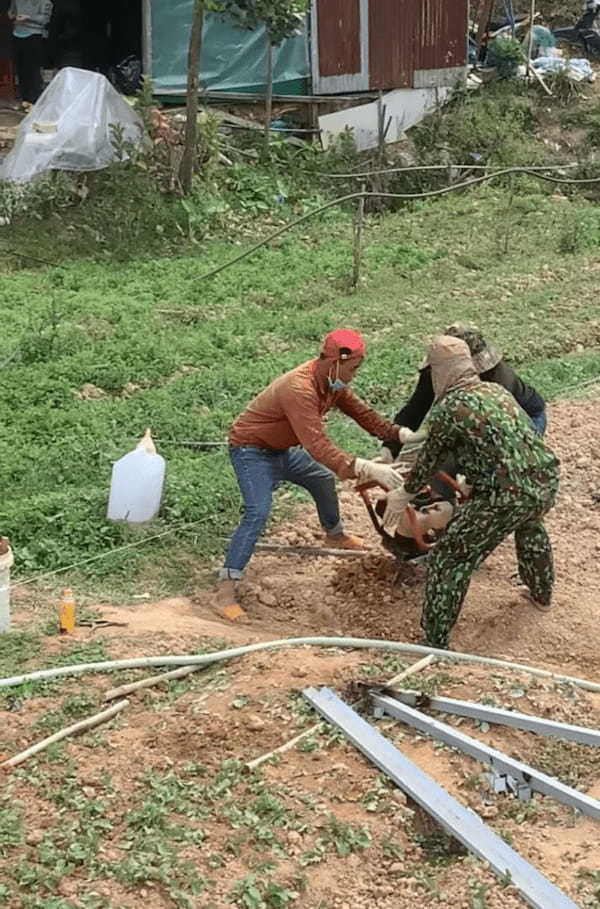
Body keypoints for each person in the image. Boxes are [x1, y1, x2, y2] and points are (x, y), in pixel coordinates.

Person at [215, 329, 404, 621]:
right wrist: (363, 466)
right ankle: (225, 589)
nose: (353, 376)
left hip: (281, 450)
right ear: (335, 362)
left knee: (321, 478)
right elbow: (317, 445)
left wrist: (399, 434)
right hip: (251, 451)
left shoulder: (330, 381)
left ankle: (335, 535)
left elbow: (361, 413)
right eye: (352, 369)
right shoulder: (300, 389)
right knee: (258, 511)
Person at [386, 335, 559, 650]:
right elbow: (510, 441)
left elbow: (431, 459)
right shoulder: (496, 391)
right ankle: (541, 595)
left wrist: (405, 493)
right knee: (531, 527)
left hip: (505, 495)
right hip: (544, 479)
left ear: (441, 372)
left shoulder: (449, 407)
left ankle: (434, 642)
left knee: (450, 559)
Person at [383, 322, 547, 461]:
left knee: (496, 461)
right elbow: (415, 409)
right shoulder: (436, 371)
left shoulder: (497, 378)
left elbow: (497, 427)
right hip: (478, 422)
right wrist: (390, 448)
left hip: (524, 417)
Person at [9, 0, 53, 105]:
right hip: (17, 34)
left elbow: (45, 20)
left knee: (33, 69)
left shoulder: (44, 2)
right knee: (21, 69)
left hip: (34, 35)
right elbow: (11, 12)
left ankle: (34, 100)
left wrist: (28, 17)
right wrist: (13, 16)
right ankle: (25, 99)